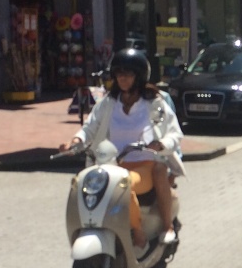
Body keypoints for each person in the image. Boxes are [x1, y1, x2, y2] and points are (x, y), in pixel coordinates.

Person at [61, 49, 183, 251]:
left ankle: (143, 232)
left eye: (128, 74)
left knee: (124, 186)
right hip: (113, 164)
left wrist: (162, 144)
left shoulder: (154, 103)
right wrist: (76, 140)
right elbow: (90, 127)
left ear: (139, 76)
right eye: (118, 74)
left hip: (146, 164)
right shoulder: (109, 103)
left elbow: (174, 133)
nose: (122, 78)